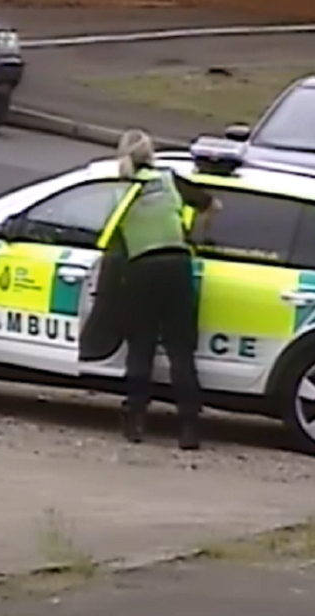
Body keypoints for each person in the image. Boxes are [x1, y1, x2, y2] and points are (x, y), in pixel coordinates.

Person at [112, 129, 221, 450]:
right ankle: (189, 428)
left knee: (141, 348)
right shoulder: (170, 179)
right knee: (180, 351)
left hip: (141, 269)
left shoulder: (120, 186)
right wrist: (193, 236)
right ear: (151, 154)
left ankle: (135, 422)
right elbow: (214, 205)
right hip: (176, 266)